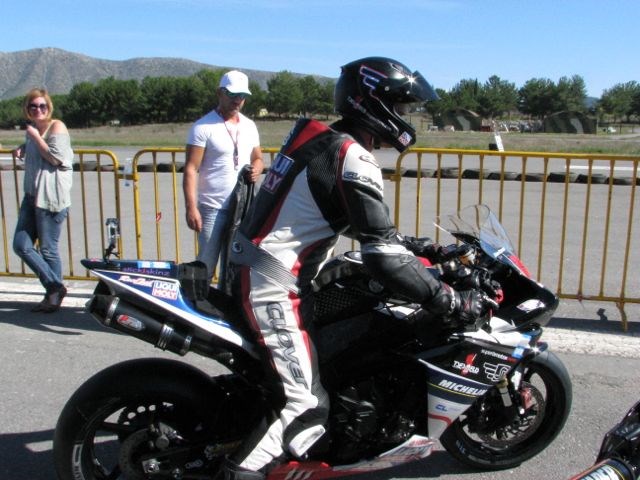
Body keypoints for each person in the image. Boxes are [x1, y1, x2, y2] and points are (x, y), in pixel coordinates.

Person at [223, 57, 488, 480]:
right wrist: (449, 300)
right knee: (305, 406)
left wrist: (424, 248)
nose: (404, 117)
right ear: (373, 103)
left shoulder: (323, 139)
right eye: (400, 107)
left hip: (255, 268)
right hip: (270, 286)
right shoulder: (352, 155)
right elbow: (382, 256)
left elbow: (356, 222)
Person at [183, 70, 264, 281]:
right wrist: (191, 208)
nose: (238, 100)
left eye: (242, 96)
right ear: (220, 93)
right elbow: (191, 169)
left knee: (234, 269)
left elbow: (258, 158)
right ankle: (197, 299)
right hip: (212, 209)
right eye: (232, 94)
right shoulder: (202, 127)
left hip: (242, 209)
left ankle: (227, 301)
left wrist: (257, 168)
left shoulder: (249, 126)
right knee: (205, 266)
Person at [12, 88, 74, 313]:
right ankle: (55, 286)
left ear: (49, 107)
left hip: (51, 198)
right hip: (31, 196)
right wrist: (23, 147)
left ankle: (53, 296)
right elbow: (39, 150)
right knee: (21, 245)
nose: (38, 109)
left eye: (42, 106)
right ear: (27, 109)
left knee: (48, 249)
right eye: (33, 106)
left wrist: (35, 138)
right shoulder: (33, 130)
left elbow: (56, 158)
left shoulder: (57, 127)